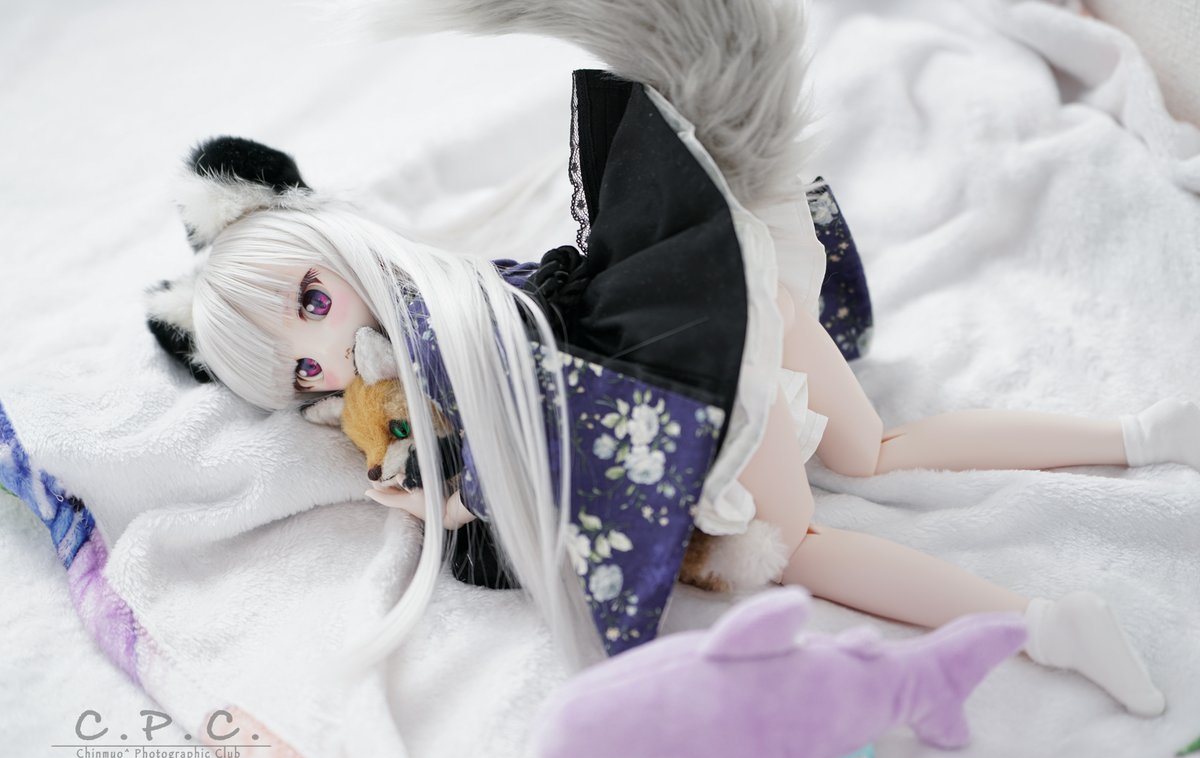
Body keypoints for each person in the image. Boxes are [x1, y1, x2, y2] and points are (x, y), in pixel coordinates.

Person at [145, 0, 1199, 717]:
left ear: (339, 248)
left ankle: (1046, 625)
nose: (329, 354)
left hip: (701, 363)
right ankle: (1143, 433)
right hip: (742, 297)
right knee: (874, 449)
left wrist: (454, 507)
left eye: (313, 304)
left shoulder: (453, 337)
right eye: (302, 371)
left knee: (801, 544)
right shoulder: (450, 323)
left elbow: (542, 493)